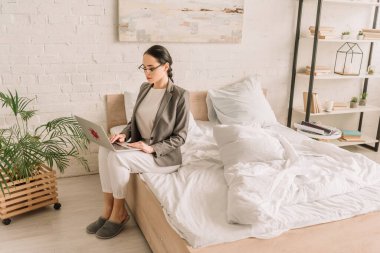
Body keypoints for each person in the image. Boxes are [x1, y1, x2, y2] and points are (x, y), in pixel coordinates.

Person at [86, 45, 190, 239]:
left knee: (117, 160)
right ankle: (107, 209)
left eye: (151, 68)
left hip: (163, 157)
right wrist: (124, 135)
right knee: (104, 149)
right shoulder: (144, 88)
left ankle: (119, 213)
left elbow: (180, 137)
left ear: (165, 67)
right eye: (143, 67)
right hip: (139, 147)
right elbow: (134, 121)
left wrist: (150, 147)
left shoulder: (179, 96)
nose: (147, 72)